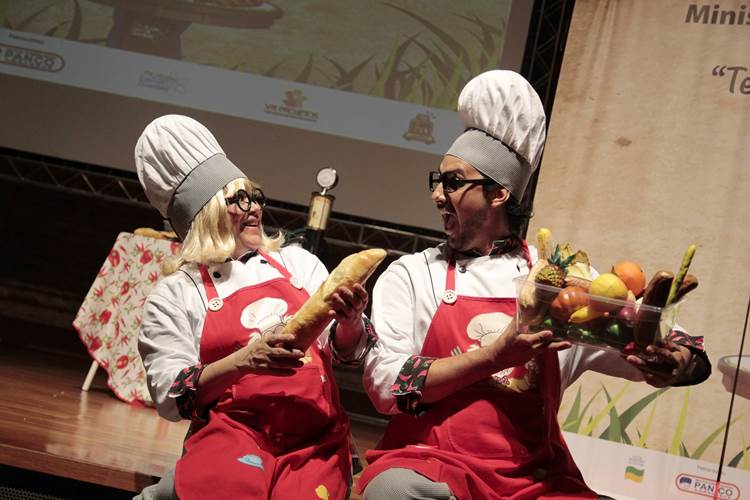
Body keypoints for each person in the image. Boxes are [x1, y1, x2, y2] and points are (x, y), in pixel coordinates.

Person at [358, 71, 710, 500]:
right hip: (431, 462)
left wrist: (677, 362)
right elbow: (385, 384)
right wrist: (494, 356)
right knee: (393, 493)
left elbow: (668, 346)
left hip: (534, 477)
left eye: (453, 182)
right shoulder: (414, 274)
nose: (436, 195)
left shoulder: (562, 283)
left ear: (499, 194)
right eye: (438, 180)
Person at [133, 115, 375, 500]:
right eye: (239, 200)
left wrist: (349, 322)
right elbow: (171, 395)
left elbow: (349, 352)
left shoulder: (299, 264)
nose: (255, 209)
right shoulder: (178, 293)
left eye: (255, 196)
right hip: (232, 436)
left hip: (315, 440)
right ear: (206, 213)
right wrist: (244, 360)